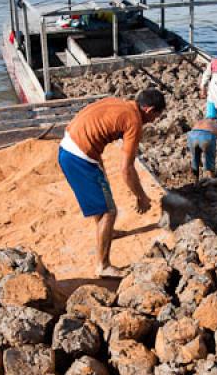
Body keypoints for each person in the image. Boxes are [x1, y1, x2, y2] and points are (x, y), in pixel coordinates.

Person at [58, 88, 166, 278]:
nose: (154, 121)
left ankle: (107, 233)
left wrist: (99, 165)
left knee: (103, 198)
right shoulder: (134, 121)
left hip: (69, 145)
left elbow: (93, 124)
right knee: (109, 212)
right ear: (149, 110)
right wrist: (141, 197)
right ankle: (103, 265)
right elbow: (127, 168)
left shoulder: (120, 103)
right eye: (156, 116)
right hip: (78, 157)